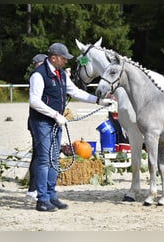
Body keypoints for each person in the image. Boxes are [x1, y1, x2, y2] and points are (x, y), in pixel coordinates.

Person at [29, 43, 101, 212]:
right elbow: (34, 101)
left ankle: (51, 196)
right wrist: (55, 115)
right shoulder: (38, 75)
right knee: (44, 159)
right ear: (53, 58)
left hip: (55, 122)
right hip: (42, 122)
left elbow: (75, 92)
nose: (65, 62)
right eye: (63, 58)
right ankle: (42, 199)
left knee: (54, 159)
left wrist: (97, 100)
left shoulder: (61, 74)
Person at [25, 54, 48, 202]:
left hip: (39, 121)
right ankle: (33, 188)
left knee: (39, 155)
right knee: (39, 156)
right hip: (38, 121)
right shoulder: (38, 77)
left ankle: (34, 188)